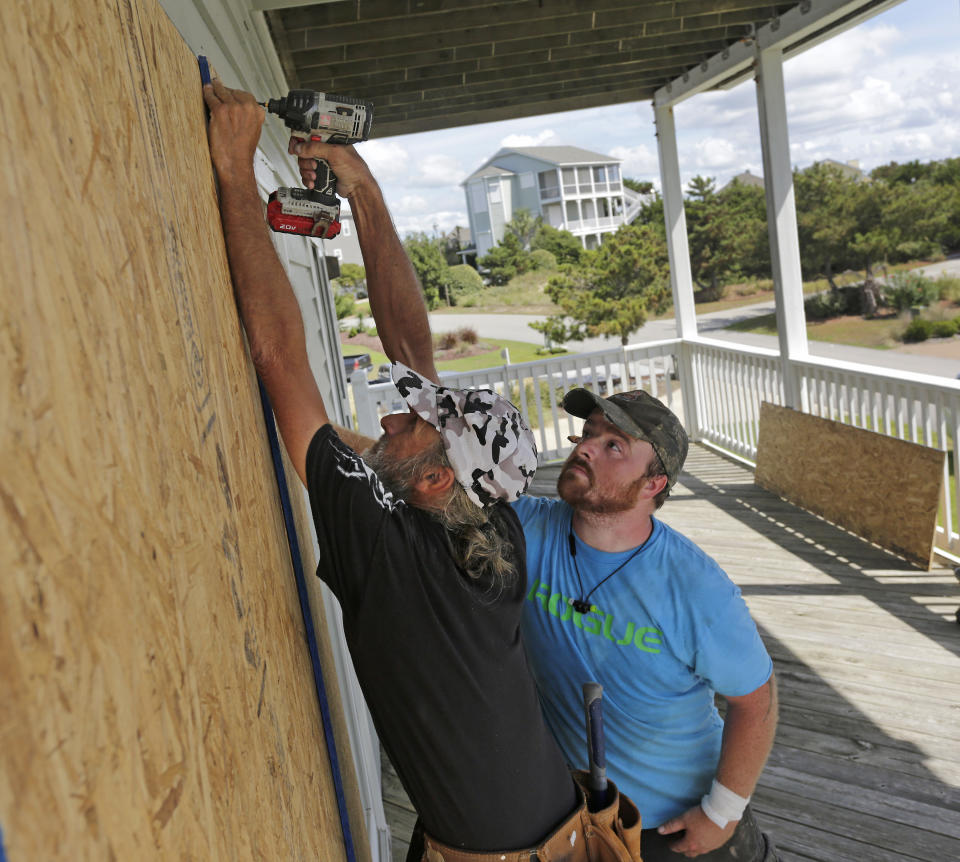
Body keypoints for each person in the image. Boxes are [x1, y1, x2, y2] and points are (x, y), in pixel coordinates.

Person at [200, 78, 591, 860]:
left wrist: (234, 174)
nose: (388, 415)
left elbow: (281, 359)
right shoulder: (492, 514)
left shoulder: (391, 555)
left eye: (407, 421)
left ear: (437, 477)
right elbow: (415, 356)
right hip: (553, 826)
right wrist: (366, 195)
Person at [512, 389, 780, 861]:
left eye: (614, 445)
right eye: (589, 434)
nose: (585, 448)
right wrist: (331, 439)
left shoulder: (696, 588)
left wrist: (721, 813)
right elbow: (426, 488)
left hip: (680, 819)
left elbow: (756, 701)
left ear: (653, 485)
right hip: (578, 815)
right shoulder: (526, 530)